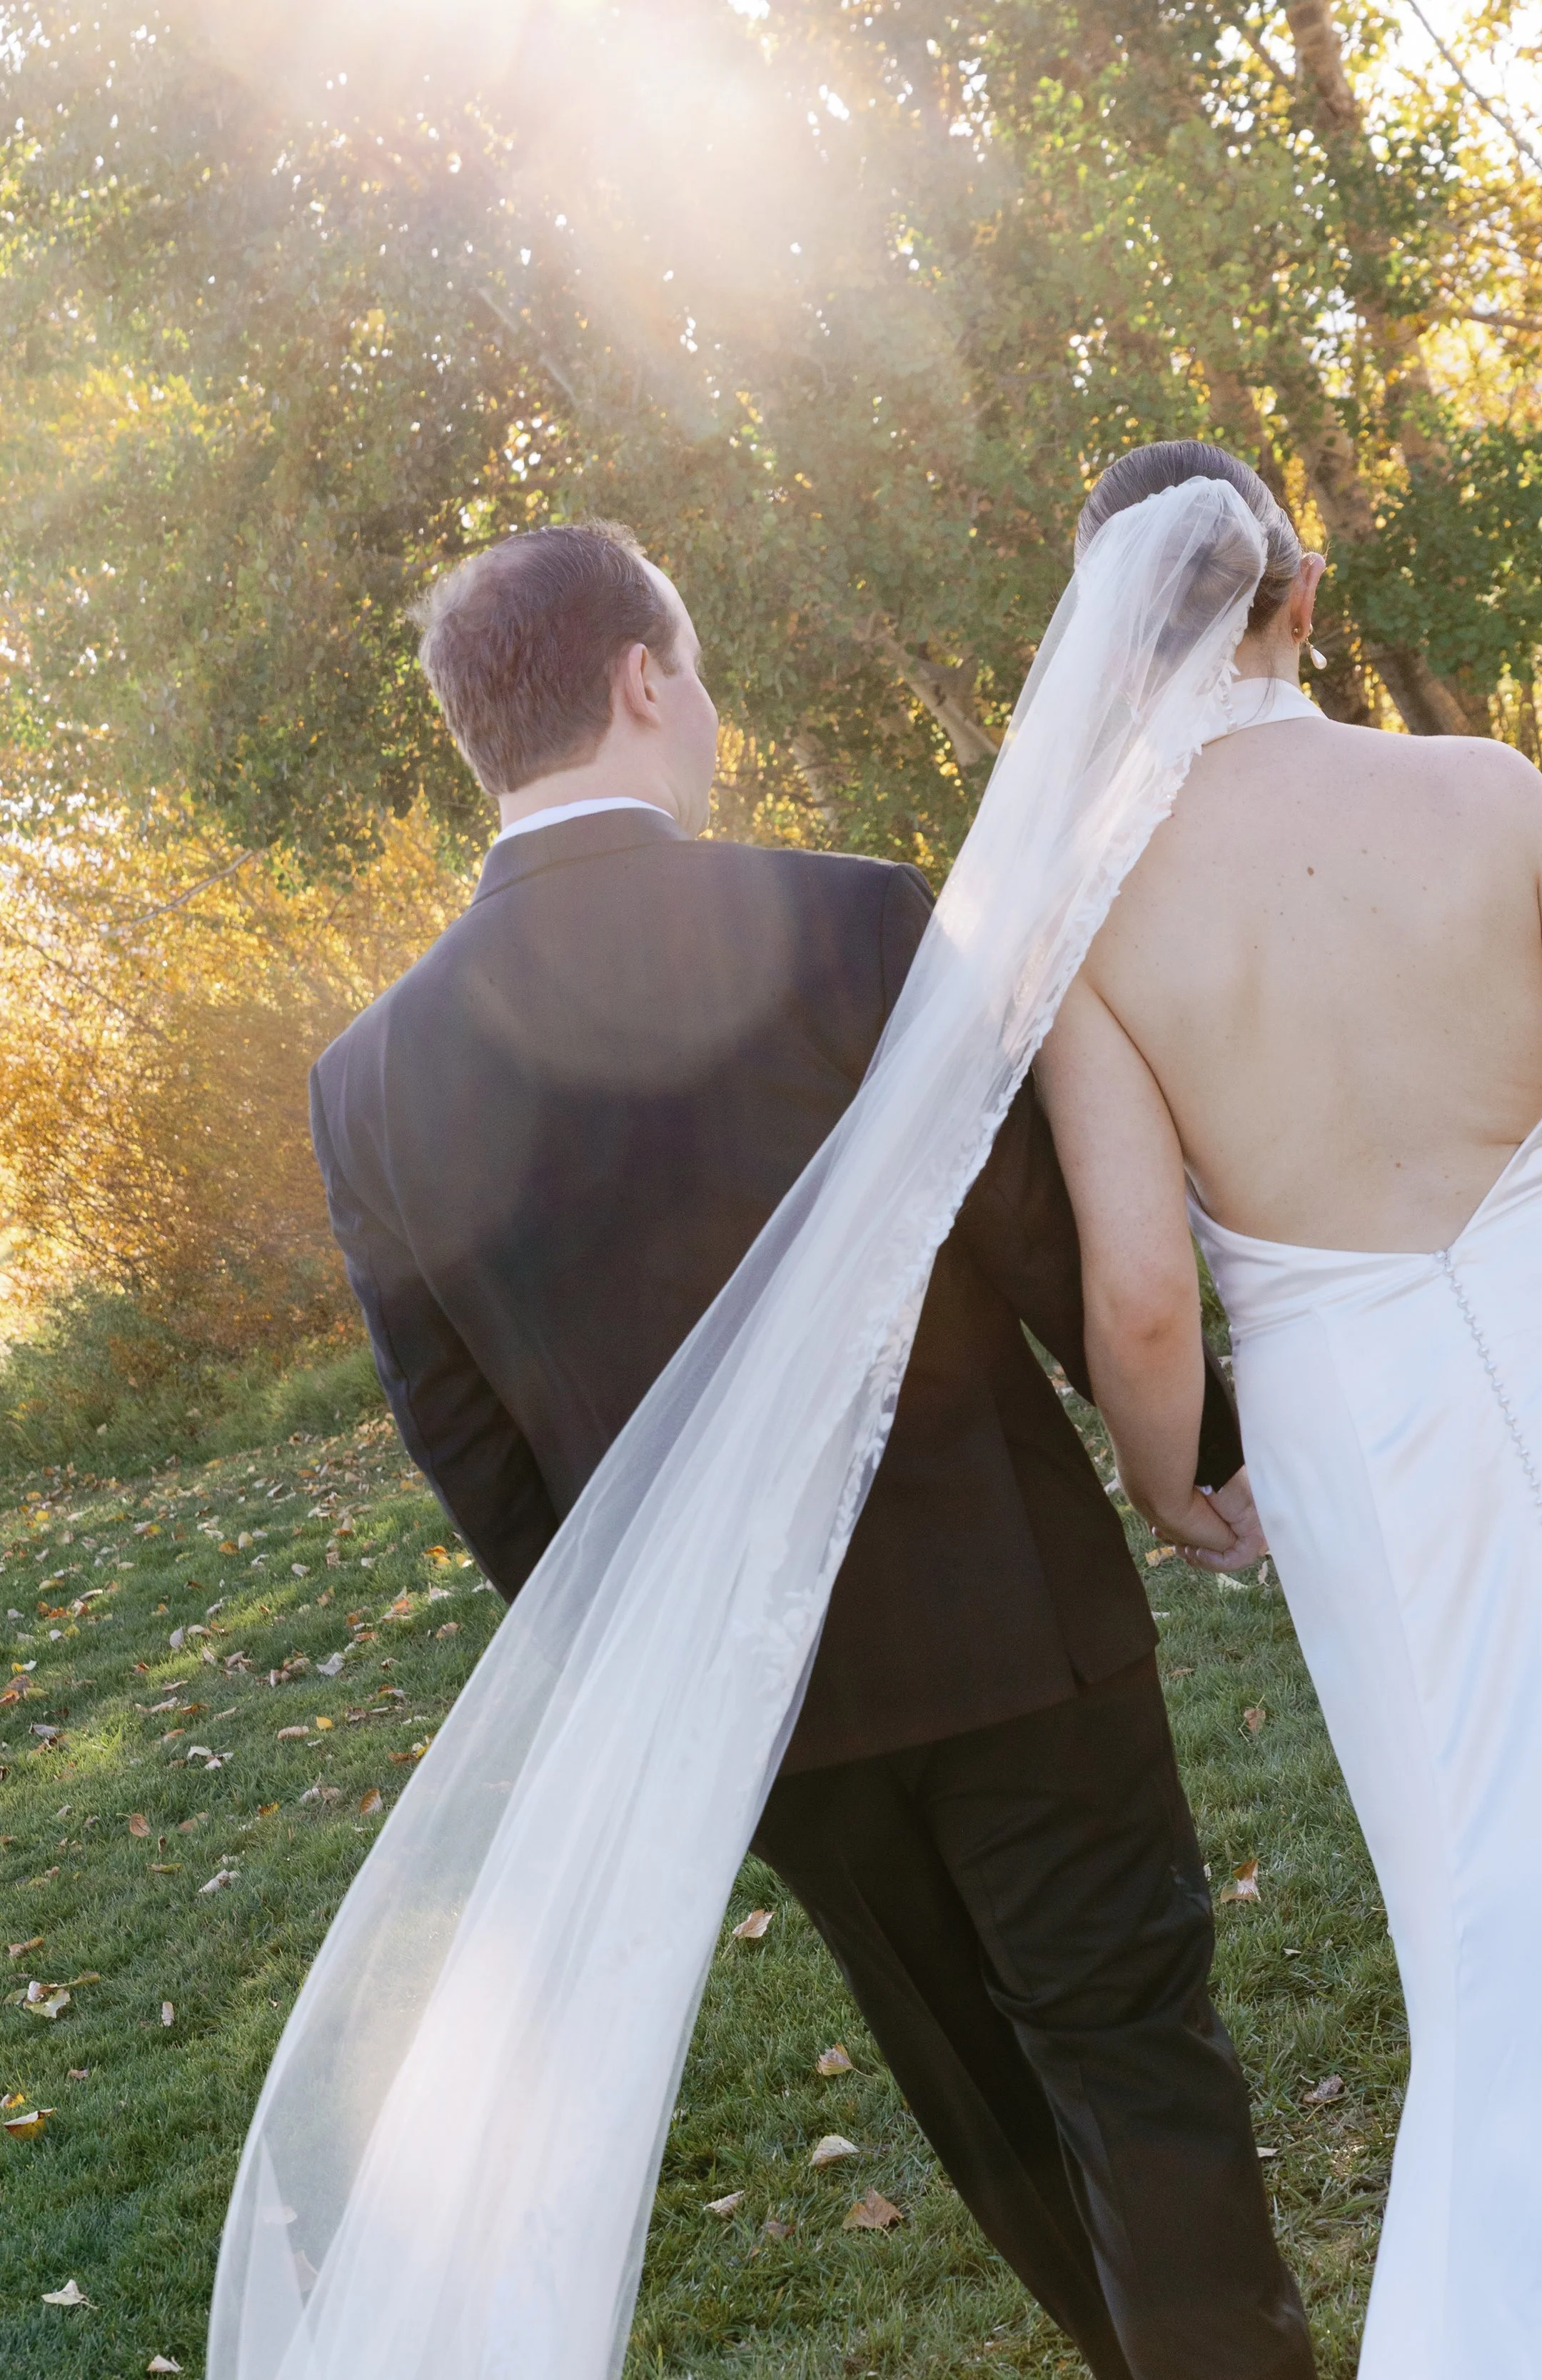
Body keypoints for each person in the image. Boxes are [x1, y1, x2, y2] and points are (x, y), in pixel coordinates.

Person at [302, 522, 1314, 2380]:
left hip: (747, 1705)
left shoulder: (366, 1078)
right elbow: (1033, 1235)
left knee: (981, 2092)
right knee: (1131, 2052)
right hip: (1011, 1627)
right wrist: (1205, 1450)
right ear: (639, 679)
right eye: (692, 672)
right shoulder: (847, 919)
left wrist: (663, 1658)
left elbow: (468, 1446)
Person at [1036, 440, 1542, 2376]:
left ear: (1112, 657)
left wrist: (1168, 1483)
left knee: (1482, 1885)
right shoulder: (1479, 791)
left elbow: (1135, 1288)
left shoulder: (1092, 921)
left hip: (1356, 1435)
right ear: (1299, 597)